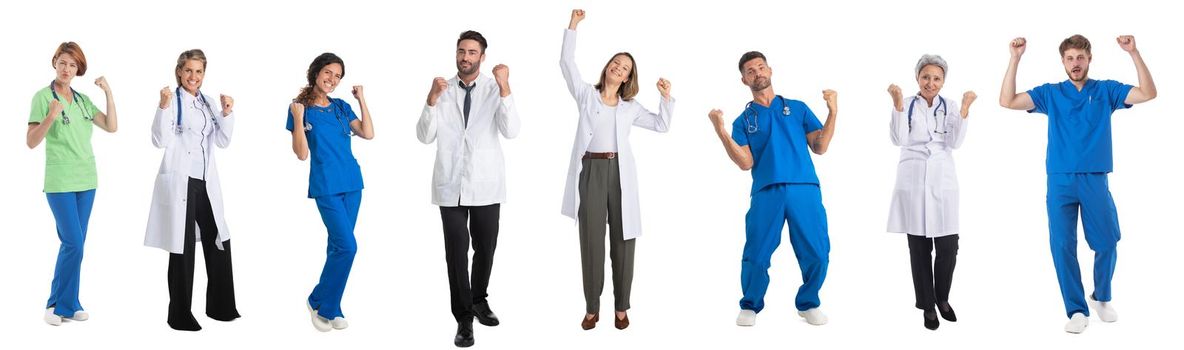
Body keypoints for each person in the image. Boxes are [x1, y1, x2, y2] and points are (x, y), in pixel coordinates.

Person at [999, 34, 1156, 334]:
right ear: (1063, 62)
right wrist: (1015, 59)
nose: (1075, 63)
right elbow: (1007, 101)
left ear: (1089, 59)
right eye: (1069, 58)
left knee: (1108, 240)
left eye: (1080, 57)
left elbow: (1148, 93)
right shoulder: (1051, 93)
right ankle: (1076, 310)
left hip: (1095, 178)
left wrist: (1134, 53)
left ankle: (1101, 296)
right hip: (1060, 179)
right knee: (1062, 245)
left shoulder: (1106, 90)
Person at [560, 9, 674, 331]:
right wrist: (573, 26)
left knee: (624, 240)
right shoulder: (586, 95)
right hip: (591, 172)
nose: (618, 67)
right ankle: (592, 307)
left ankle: (621, 307)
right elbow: (567, 64)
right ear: (608, 67)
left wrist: (666, 98)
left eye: (624, 67)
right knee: (591, 241)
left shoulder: (630, 108)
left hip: (620, 174)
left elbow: (662, 125)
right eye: (616, 62)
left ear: (627, 78)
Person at [707, 51, 837, 327]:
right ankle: (751, 305)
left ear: (770, 70)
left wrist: (833, 112)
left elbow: (820, 146)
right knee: (757, 251)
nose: (757, 73)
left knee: (817, 250)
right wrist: (721, 131)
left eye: (760, 67)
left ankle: (809, 302)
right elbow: (745, 162)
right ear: (744, 80)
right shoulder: (744, 121)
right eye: (750, 71)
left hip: (804, 187)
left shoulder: (797, 108)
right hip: (767, 191)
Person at [416, 30, 520, 348]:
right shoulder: (442, 89)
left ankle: (478, 299)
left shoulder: (493, 88)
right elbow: (423, 136)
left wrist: (504, 87)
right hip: (451, 186)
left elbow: (512, 130)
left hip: (486, 184)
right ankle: (464, 319)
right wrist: (431, 99)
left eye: (472, 52)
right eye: (462, 51)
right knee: (456, 254)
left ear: (482, 56)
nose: (466, 57)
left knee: (485, 249)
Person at [145, 49, 241, 331]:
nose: (193, 77)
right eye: (188, 71)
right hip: (181, 180)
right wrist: (162, 106)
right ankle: (179, 315)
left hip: (205, 181)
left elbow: (222, 141)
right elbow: (159, 139)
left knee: (219, 240)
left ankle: (221, 307)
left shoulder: (209, 103)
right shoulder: (171, 101)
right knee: (183, 247)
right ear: (179, 72)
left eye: (199, 71)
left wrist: (226, 113)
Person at [26, 41, 119, 326]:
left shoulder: (81, 101)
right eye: (63, 62)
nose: (67, 69)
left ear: (78, 69)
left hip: (87, 180)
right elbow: (30, 142)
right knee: (73, 242)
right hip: (60, 182)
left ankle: (70, 302)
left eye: (73, 64)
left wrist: (109, 94)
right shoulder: (42, 97)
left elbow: (111, 126)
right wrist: (51, 117)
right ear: (55, 61)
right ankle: (55, 305)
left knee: (76, 245)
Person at [886, 54, 977, 330]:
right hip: (912, 178)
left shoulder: (949, 106)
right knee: (919, 249)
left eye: (936, 78)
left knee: (948, 247)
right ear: (917, 78)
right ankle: (927, 306)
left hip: (942, 178)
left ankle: (943, 297)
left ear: (943, 81)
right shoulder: (907, 105)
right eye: (926, 77)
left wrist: (964, 110)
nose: (931, 82)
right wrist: (898, 106)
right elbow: (898, 139)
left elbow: (955, 142)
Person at [286, 52, 375, 332]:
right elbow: (301, 154)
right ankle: (322, 303)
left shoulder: (341, 106)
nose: (332, 79)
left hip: (352, 184)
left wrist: (361, 99)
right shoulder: (299, 108)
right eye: (328, 72)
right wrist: (298, 120)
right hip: (326, 186)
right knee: (348, 247)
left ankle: (327, 303)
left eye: (337, 76)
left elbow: (368, 133)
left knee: (339, 247)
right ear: (315, 72)